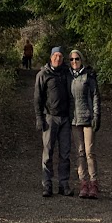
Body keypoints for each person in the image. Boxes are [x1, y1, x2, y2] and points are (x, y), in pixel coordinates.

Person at [34, 46, 72, 197]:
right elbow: (37, 98)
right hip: (50, 117)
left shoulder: (67, 73)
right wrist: (39, 118)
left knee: (65, 154)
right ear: (51, 57)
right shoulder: (43, 74)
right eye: (55, 56)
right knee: (48, 152)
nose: (58, 58)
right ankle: (47, 185)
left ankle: (64, 185)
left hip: (65, 119)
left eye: (60, 56)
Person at [68, 48, 101, 199]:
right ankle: (83, 183)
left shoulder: (89, 76)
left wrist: (96, 116)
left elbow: (95, 96)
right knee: (80, 152)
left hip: (88, 119)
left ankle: (93, 183)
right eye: (72, 59)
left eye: (77, 59)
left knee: (89, 152)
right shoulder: (68, 76)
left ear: (81, 60)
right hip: (74, 121)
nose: (74, 61)